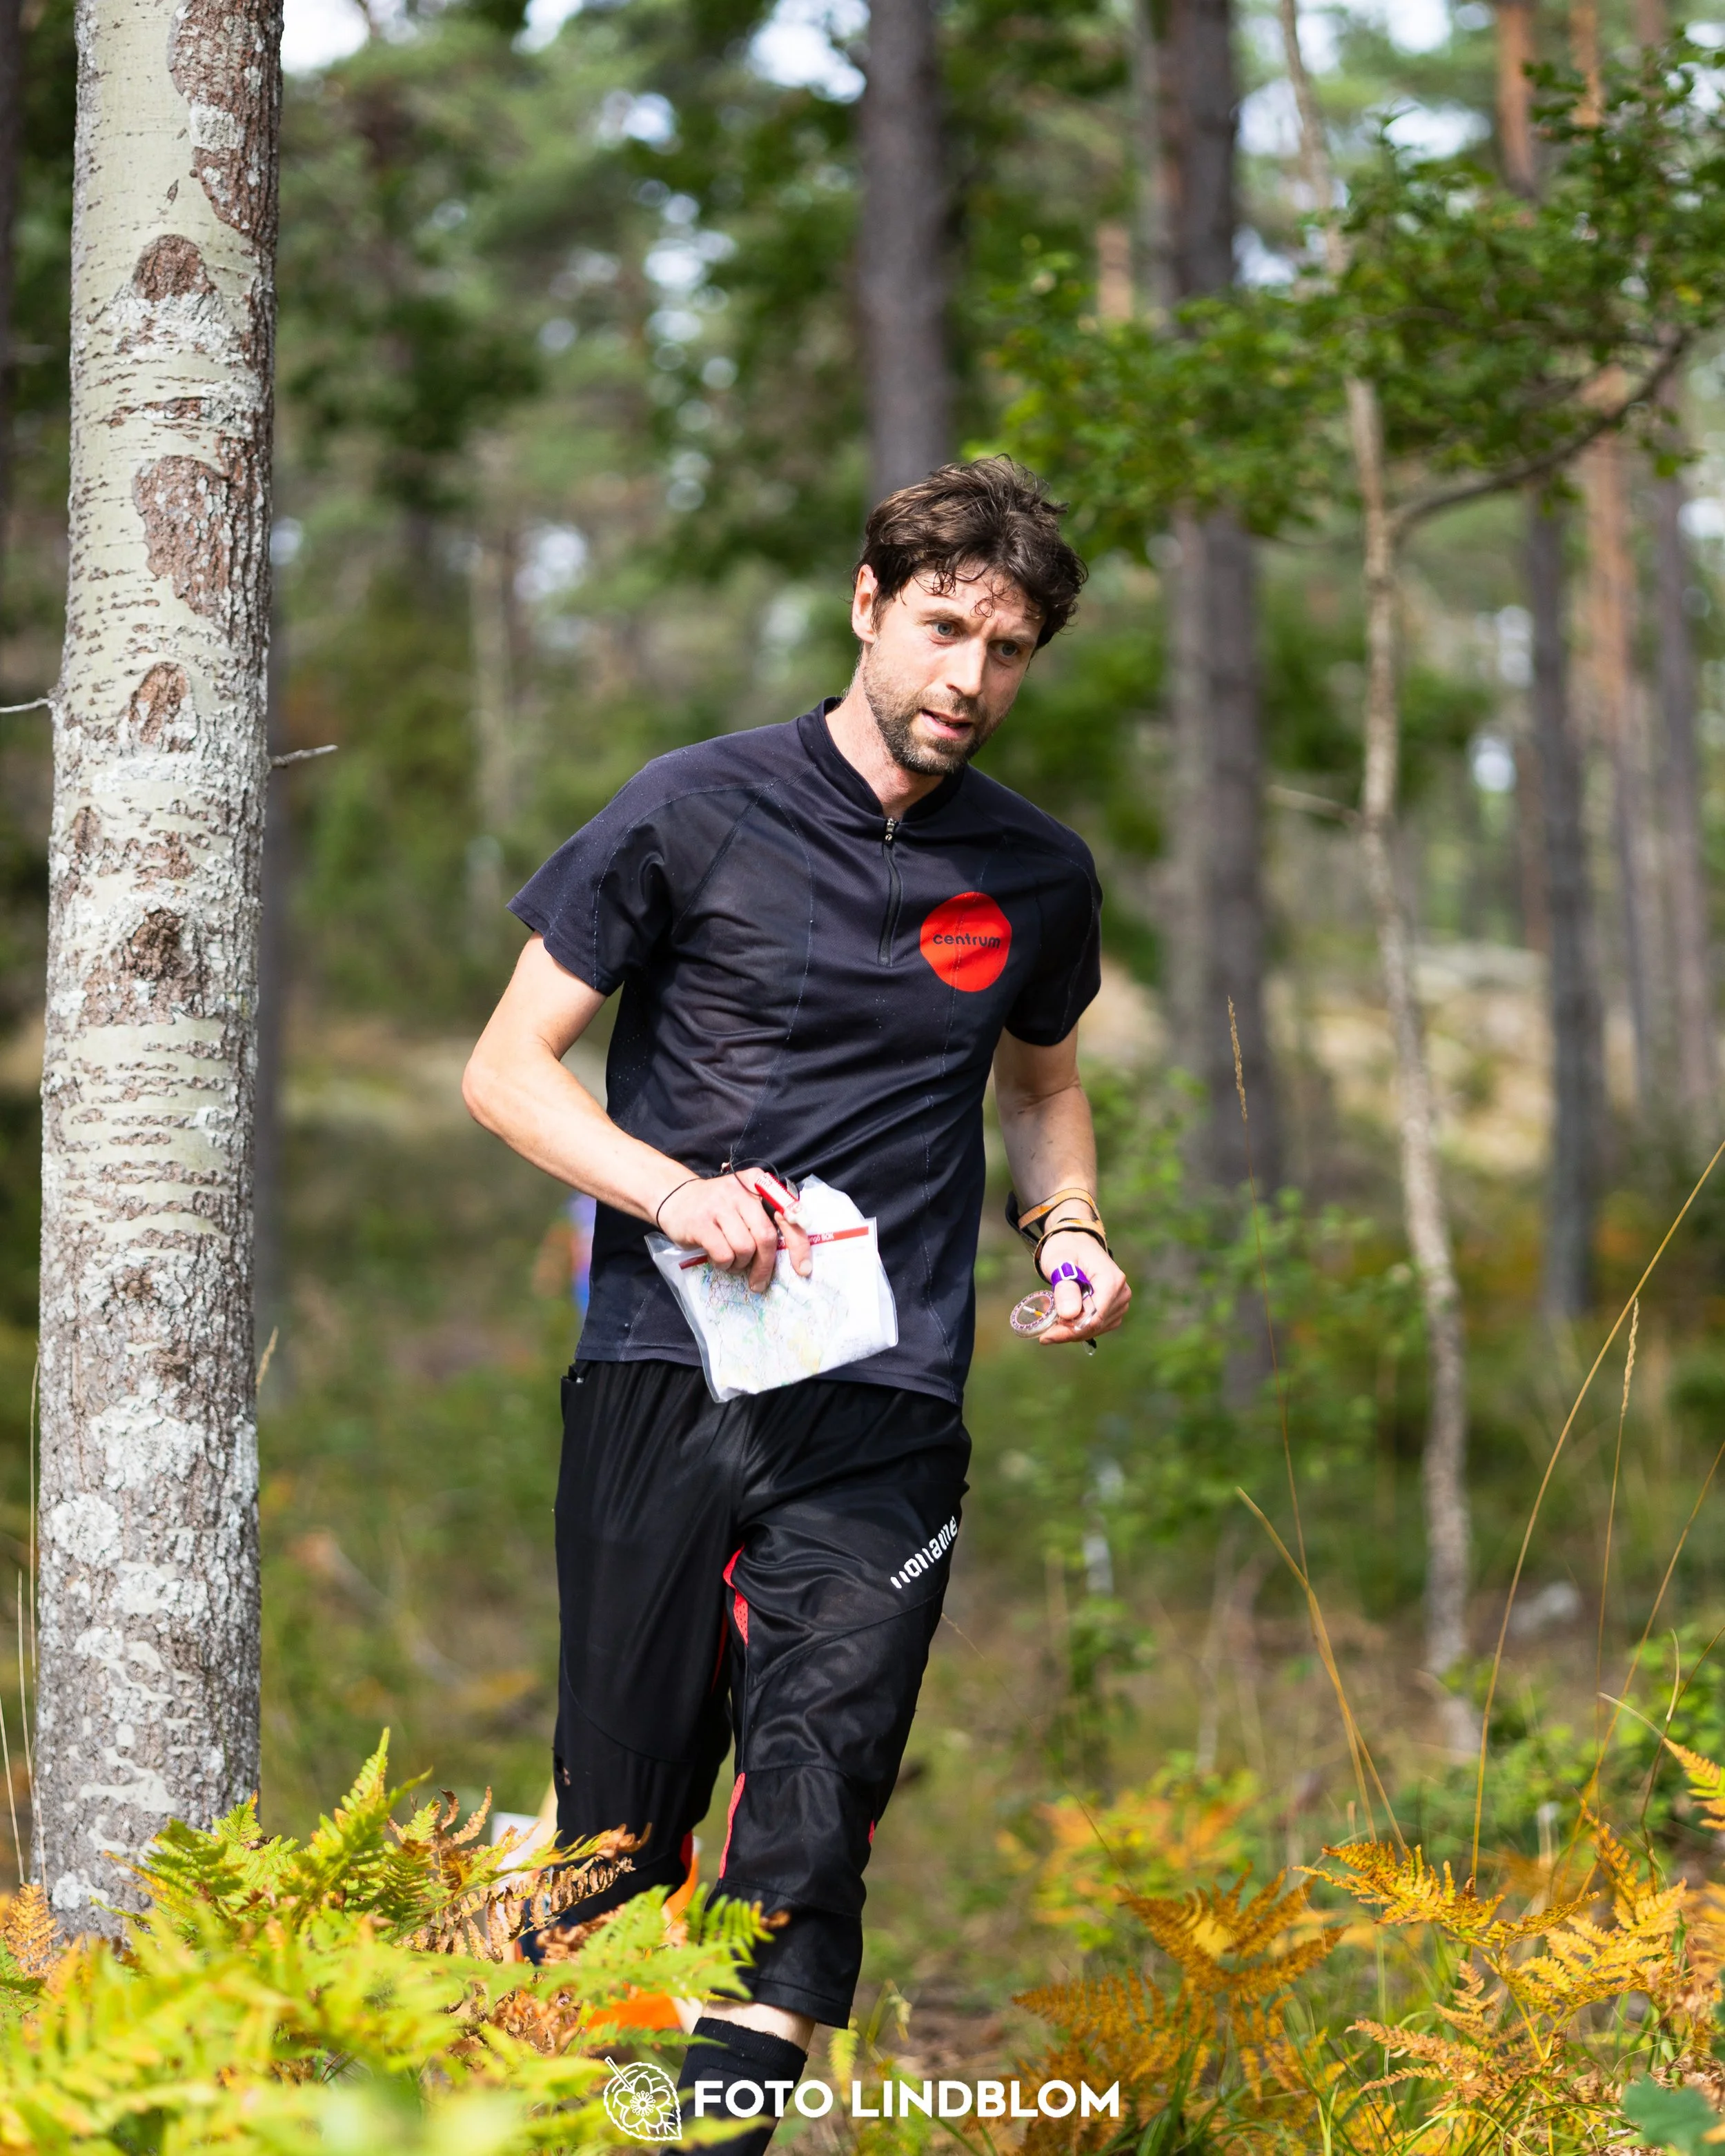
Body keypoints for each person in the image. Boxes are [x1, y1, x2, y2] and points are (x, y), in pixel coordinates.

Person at [462, 456, 1132, 2139]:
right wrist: (673, 1191)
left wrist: (1071, 1225)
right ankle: (473, 2074)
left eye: (1007, 647)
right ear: (865, 604)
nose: (967, 679)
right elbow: (503, 1070)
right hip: (658, 1369)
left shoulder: (1034, 873)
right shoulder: (693, 805)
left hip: (883, 1400)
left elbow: (1040, 1086)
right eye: (941, 629)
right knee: (615, 1839)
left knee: (814, 1810)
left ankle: (715, 2133)